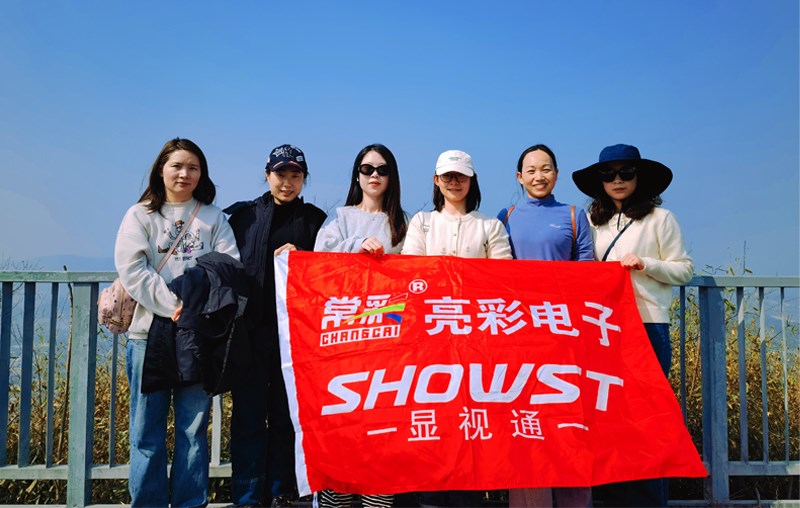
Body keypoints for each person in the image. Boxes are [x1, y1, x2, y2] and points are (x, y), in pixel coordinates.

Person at [114, 137, 240, 507]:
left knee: (193, 428)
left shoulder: (213, 217)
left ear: (202, 174)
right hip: (146, 333)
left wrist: (191, 309)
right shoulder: (140, 215)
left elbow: (228, 267)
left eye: (193, 167)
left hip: (196, 335)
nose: (184, 174)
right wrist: (174, 305)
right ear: (161, 170)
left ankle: (190, 502)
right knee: (146, 430)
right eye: (177, 166)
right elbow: (132, 268)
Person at [572, 144, 694, 508]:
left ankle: (648, 500)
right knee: (607, 417)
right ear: (600, 181)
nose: (618, 180)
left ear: (640, 177)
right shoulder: (592, 221)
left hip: (647, 326)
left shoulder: (661, 219)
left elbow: (684, 269)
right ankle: (612, 496)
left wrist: (646, 263)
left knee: (647, 418)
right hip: (603, 329)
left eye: (626, 173)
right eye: (608, 174)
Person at [402, 149, 511, 508]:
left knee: (471, 417)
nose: (454, 182)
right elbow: (411, 274)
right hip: (430, 340)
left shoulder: (490, 225)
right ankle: (431, 496)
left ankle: (469, 494)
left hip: (477, 342)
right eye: (447, 176)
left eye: (461, 176)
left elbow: (503, 278)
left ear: (471, 180)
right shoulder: (422, 222)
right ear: (436, 180)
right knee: (432, 414)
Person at [225, 144, 327, 507]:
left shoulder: (316, 221)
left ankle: (283, 492)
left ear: (304, 179)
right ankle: (248, 496)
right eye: (280, 174)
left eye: (295, 175)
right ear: (266, 175)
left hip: (295, 338)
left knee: (288, 417)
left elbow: (328, 271)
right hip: (250, 333)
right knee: (248, 416)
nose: (287, 182)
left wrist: (304, 261)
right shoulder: (242, 217)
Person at [498, 144, 593, 508]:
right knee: (526, 426)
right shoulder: (506, 216)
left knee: (569, 427)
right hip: (520, 339)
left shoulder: (573, 215)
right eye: (531, 170)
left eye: (546, 169)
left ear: (556, 173)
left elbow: (588, 273)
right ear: (519, 177)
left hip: (564, 338)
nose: (539, 176)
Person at [312, 143, 406, 507]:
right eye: (367, 169)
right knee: (341, 424)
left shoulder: (403, 221)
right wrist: (356, 244)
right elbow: (319, 261)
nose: (374, 176)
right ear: (356, 175)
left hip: (387, 340)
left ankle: (377, 499)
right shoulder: (339, 217)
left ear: (392, 176)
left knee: (382, 428)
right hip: (343, 339)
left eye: (382, 169)